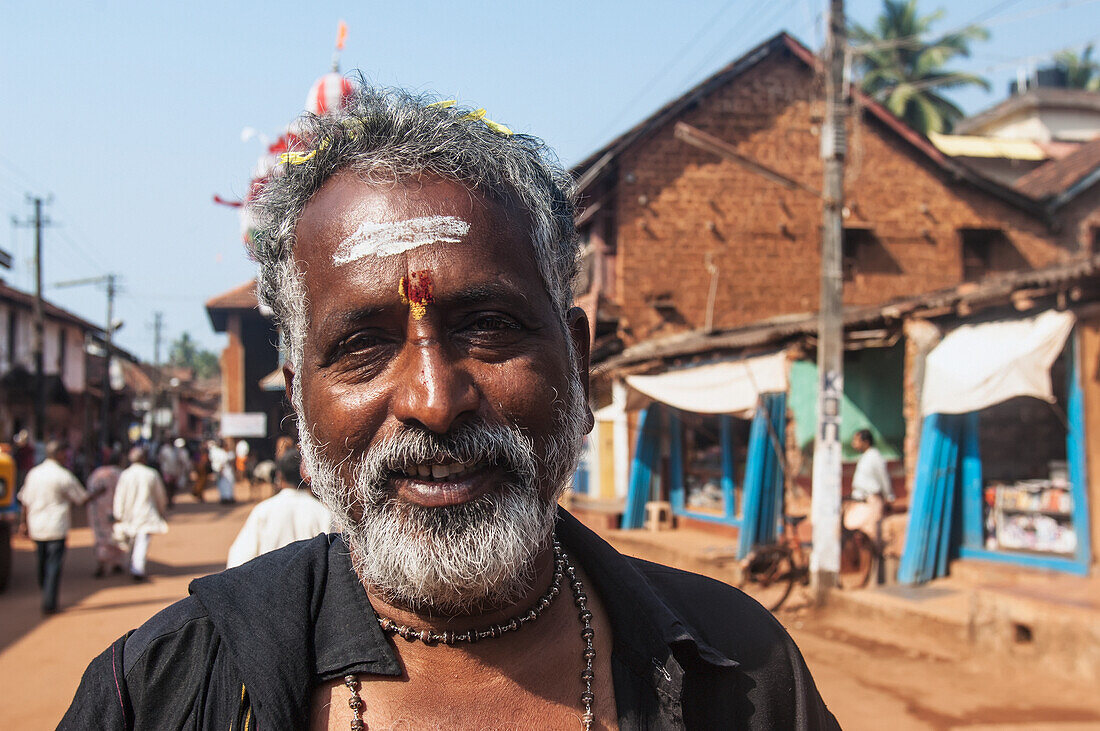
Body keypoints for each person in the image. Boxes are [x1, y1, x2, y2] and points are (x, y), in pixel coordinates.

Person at [62, 86, 838, 729]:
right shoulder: (162, 691)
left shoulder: (742, 672)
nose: (435, 401)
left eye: (490, 326)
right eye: (363, 344)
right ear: (299, 403)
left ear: (578, 359)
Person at [226, 447, 332, 568]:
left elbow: (239, 559)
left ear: (279, 476)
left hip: (268, 584)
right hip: (312, 586)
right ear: (308, 476)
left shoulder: (263, 511)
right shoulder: (323, 513)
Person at [17, 440, 86, 614]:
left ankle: (47, 596)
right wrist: (98, 494)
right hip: (56, 527)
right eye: (65, 453)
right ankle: (49, 601)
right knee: (53, 566)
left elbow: (25, 501)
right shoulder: (63, 475)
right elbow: (81, 498)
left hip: (37, 527)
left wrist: (23, 523)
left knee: (42, 563)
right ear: (59, 454)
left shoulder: (34, 473)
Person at [112, 447, 169, 582]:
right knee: (141, 541)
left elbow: (119, 495)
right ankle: (137, 567)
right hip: (145, 513)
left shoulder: (126, 474)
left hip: (130, 514)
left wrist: (118, 512)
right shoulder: (151, 474)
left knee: (135, 540)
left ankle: (136, 567)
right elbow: (160, 495)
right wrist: (161, 510)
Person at [845, 429, 895, 539]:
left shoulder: (875, 456)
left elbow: (883, 477)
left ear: (865, 442)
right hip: (860, 500)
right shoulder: (864, 457)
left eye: (857, 440)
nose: (854, 444)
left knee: (871, 534)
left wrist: (889, 496)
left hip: (872, 500)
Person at [85, 450, 125, 578]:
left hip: (97, 511)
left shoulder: (97, 473)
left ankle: (102, 563)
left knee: (100, 536)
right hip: (116, 511)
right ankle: (115, 563)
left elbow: (89, 491)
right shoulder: (120, 474)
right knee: (116, 536)